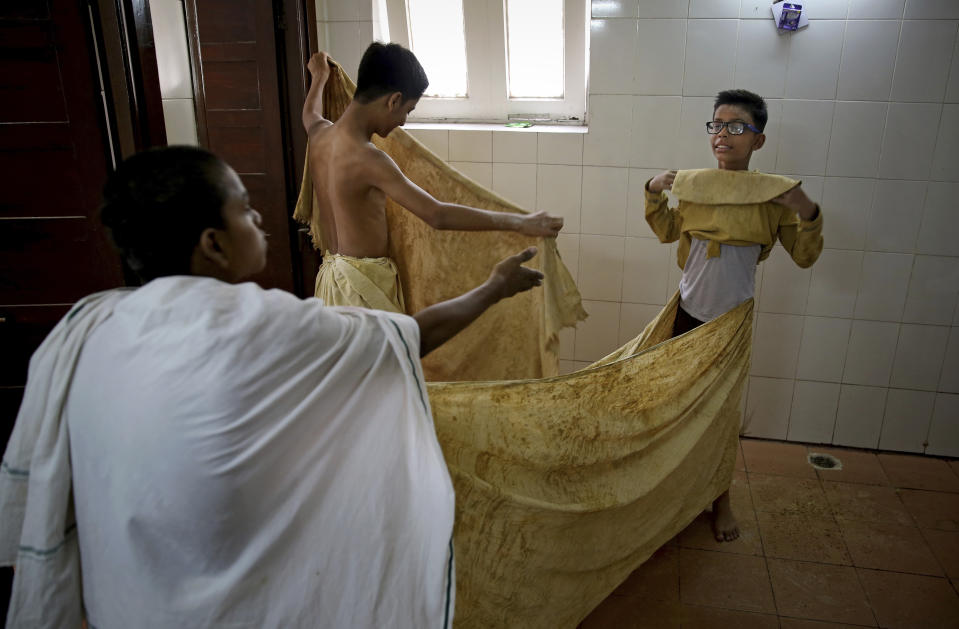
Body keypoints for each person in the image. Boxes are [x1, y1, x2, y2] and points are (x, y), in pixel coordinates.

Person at [0, 146, 546, 628]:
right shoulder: (260, 325)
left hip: (127, 602)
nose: (258, 215)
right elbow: (407, 339)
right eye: (242, 206)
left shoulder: (93, 324)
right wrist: (494, 288)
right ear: (212, 244)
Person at [644, 89, 823, 542]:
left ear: (758, 140)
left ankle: (720, 499)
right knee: (675, 407)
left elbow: (804, 257)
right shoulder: (693, 185)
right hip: (685, 314)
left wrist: (809, 212)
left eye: (737, 127)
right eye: (717, 125)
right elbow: (667, 233)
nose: (723, 135)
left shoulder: (773, 196)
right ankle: (670, 492)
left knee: (720, 416)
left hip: (731, 322)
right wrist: (652, 191)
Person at [301, 44, 564, 312]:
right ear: (393, 100)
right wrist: (520, 222)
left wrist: (319, 78)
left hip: (330, 284)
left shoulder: (319, 135)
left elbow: (310, 114)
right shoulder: (370, 160)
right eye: (408, 109)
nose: (403, 121)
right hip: (362, 293)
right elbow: (437, 214)